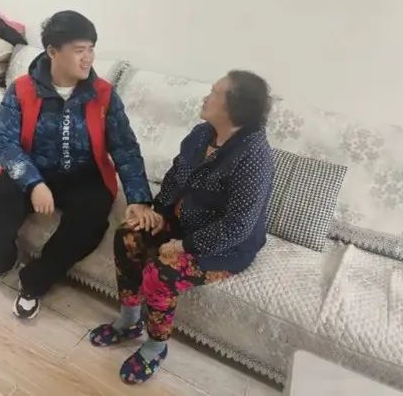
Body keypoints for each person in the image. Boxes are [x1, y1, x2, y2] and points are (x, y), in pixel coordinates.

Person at [89, 70, 275, 384]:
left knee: (161, 271)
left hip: (224, 246)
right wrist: (158, 213)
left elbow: (238, 226)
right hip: (182, 220)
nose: (206, 97)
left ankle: (155, 346)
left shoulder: (254, 157)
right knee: (128, 235)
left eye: (214, 93)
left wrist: (184, 246)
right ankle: (129, 321)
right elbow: (177, 175)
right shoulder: (202, 134)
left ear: (233, 107)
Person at [0, 10, 156, 320]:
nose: (88, 58)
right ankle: (0, 260)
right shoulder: (22, 89)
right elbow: (3, 141)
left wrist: (139, 198)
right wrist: (33, 182)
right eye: (79, 50)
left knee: (90, 223)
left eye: (91, 49)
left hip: (85, 176)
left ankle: (36, 280)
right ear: (52, 51)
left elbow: (125, 147)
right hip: (34, 168)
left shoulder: (103, 95)